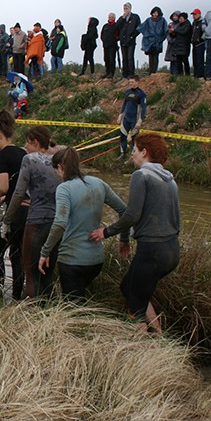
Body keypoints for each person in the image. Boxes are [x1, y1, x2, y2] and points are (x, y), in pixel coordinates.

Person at [89, 133, 180, 333]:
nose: (132, 155)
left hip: (152, 250)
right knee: (131, 288)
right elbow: (175, 220)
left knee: (136, 300)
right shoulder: (170, 180)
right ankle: (159, 336)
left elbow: (132, 214)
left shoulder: (142, 176)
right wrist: (128, 238)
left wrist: (106, 231)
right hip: (172, 250)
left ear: (144, 152)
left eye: (135, 151)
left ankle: (141, 350)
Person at [38, 148, 128, 301]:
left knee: (73, 308)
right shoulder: (98, 183)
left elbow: (60, 223)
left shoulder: (64, 188)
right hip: (96, 260)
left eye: (56, 171)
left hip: (71, 259)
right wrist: (122, 238)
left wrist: (45, 252)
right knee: (80, 299)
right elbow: (124, 210)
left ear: (60, 167)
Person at [2, 125, 61, 299]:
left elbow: (19, 193)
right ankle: (47, 310)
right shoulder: (57, 161)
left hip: (36, 220)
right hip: (56, 221)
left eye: (27, 143)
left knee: (31, 272)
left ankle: (32, 315)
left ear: (35, 142)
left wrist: (6, 220)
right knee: (47, 272)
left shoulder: (30, 160)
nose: (25, 147)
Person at [0, 111, 28, 301]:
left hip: (15, 213)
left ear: (0, 135)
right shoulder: (23, 153)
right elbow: (21, 183)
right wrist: (7, 196)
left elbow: (4, 186)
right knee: (17, 253)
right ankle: (18, 296)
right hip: (29, 210)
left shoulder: (2, 155)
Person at [117, 75, 147, 159]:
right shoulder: (127, 92)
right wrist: (120, 116)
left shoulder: (141, 94)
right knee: (122, 136)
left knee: (134, 138)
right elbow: (124, 105)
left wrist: (140, 120)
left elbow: (143, 108)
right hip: (126, 118)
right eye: (129, 82)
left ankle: (132, 157)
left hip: (135, 119)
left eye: (132, 82)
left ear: (137, 82)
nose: (131, 84)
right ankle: (122, 154)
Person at [137, 7, 167, 74]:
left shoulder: (162, 20)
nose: (155, 14)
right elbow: (140, 28)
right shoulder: (148, 20)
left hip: (157, 41)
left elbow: (166, 31)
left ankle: (154, 72)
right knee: (150, 57)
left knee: (156, 56)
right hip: (149, 42)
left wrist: (161, 39)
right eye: (154, 12)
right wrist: (147, 35)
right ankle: (150, 72)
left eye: (156, 12)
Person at [117, 2, 141, 78]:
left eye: (127, 8)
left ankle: (131, 74)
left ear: (130, 8)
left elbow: (139, 28)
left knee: (130, 57)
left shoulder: (135, 17)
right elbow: (117, 27)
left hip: (131, 40)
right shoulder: (122, 18)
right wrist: (123, 18)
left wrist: (132, 36)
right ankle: (125, 74)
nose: (125, 10)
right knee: (124, 58)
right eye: (124, 8)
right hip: (123, 40)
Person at [101, 13, 119, 79]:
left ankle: (111, 73)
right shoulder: (105, 26)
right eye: (109, 17)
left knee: (112, 60)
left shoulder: (116, 25)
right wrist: (104, 41)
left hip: (113, 46)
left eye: (112, 17)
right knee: (106, 59)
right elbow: (102, 35)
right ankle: (107, 72)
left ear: (114, 18)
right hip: (105, 45)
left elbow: (118, 36)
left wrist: (114, 40)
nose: (110, 18)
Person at [191, 9, 206, 79]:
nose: (194, 16)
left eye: (195, 14)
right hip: (194, 44)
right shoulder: (194, 23)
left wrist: (201, 39)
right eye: (193, 14)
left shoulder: (202, 22)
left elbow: (206, 31)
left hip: (200, 44)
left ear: (199, 14)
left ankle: (200, 75)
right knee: (195, 61)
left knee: (200, 60)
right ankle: (195, 75)